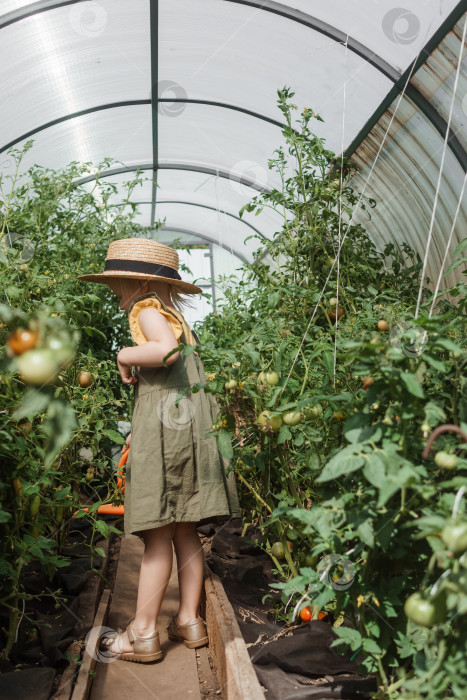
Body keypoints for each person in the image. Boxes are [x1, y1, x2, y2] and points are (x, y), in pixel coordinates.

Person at [77, 237, 241, 663]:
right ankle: (189, 621)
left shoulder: (146, 310)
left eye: (118, 284)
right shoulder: (173, 316)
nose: (115, 292)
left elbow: (164, 353)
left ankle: (143, 632)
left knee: (155, 537)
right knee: (185, 530)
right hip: (183, 426)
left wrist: (122, 354)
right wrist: (138, 431)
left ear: (137, 282)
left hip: (169, 433)